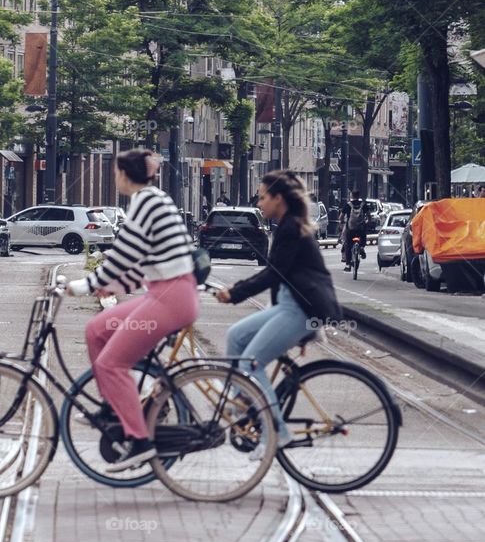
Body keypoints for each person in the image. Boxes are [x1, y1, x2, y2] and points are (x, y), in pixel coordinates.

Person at [66, 148, 199, 473]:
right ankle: (115, 410)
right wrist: (113, 286)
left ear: (125, 175)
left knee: (112, 363)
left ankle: (140, 441)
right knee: (96, 330)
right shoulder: (154, 198)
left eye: (116, 173)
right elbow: (141, 262)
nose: (115, 178)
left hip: (170, 298)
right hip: (165, 292)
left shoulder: (146, 202)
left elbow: (126, 252)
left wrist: (88, 283)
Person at [216, 169, 342, 446]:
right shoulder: (287, 224)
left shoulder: (291, 228)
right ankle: (244, 401)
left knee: (251, 364)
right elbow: (279, 277)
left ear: (279, 199)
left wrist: (234, 292)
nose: (259, 204)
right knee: (235, 336)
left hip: (298, 310)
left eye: (263, 198)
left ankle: (276, 434)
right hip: (288, 307)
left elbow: (272, 274)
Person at [340, 190, 367, 271]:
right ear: (359, 196)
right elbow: (369, 216)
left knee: (348, 245)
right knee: (363, 236)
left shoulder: (348, 205)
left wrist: (342, 221)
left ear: (351, 196)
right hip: (360, 229)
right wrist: (367, 221)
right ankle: (362, 247)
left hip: (350, 229)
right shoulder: (363, 205)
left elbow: (341, 217)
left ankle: (348, 265)